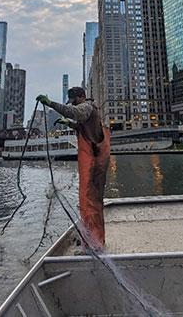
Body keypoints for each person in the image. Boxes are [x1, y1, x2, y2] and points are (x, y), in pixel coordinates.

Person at [36, 87, 110, 251]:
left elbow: (76, 112)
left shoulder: (87, 107)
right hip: (93, 159)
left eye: (74, 100)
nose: (73, 104)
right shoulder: (88, 111)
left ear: (81, 97)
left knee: (91, 202)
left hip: (95, 161)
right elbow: (83, 125)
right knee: (87, 200)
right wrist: (70, 124)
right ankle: (91, 239)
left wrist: (50, 104)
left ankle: (96, 243)